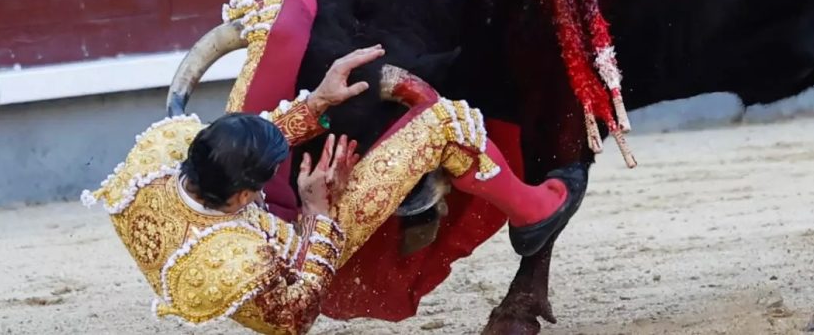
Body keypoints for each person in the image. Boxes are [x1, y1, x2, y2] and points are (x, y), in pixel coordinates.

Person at [82, 46, 585, 334]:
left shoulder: (157, 161)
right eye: (259, 185)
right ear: (241, 199)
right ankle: (536, 208)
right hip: (285, 277)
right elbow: (296, 317)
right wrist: (316, 215)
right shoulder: (237, 261)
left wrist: (317, 102)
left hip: (223, 233)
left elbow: (246, 138)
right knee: (444, 125)